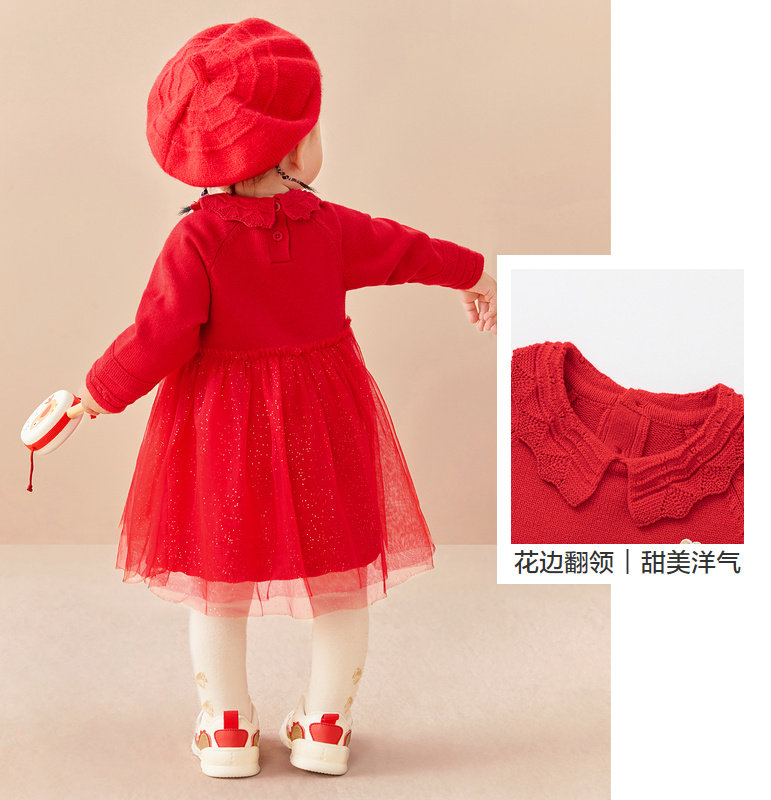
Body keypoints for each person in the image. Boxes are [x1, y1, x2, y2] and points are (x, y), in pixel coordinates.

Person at [79, 18, 496, 779]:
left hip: (219, 425)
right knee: (340, 579)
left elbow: (158, 335)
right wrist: (473, 274)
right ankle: (326, 727)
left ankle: (227, 729)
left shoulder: (197, 241)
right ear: (295, 149)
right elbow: (404, 249)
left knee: (218, 581)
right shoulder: (328, 227)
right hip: (322, 421)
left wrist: (96, 394)